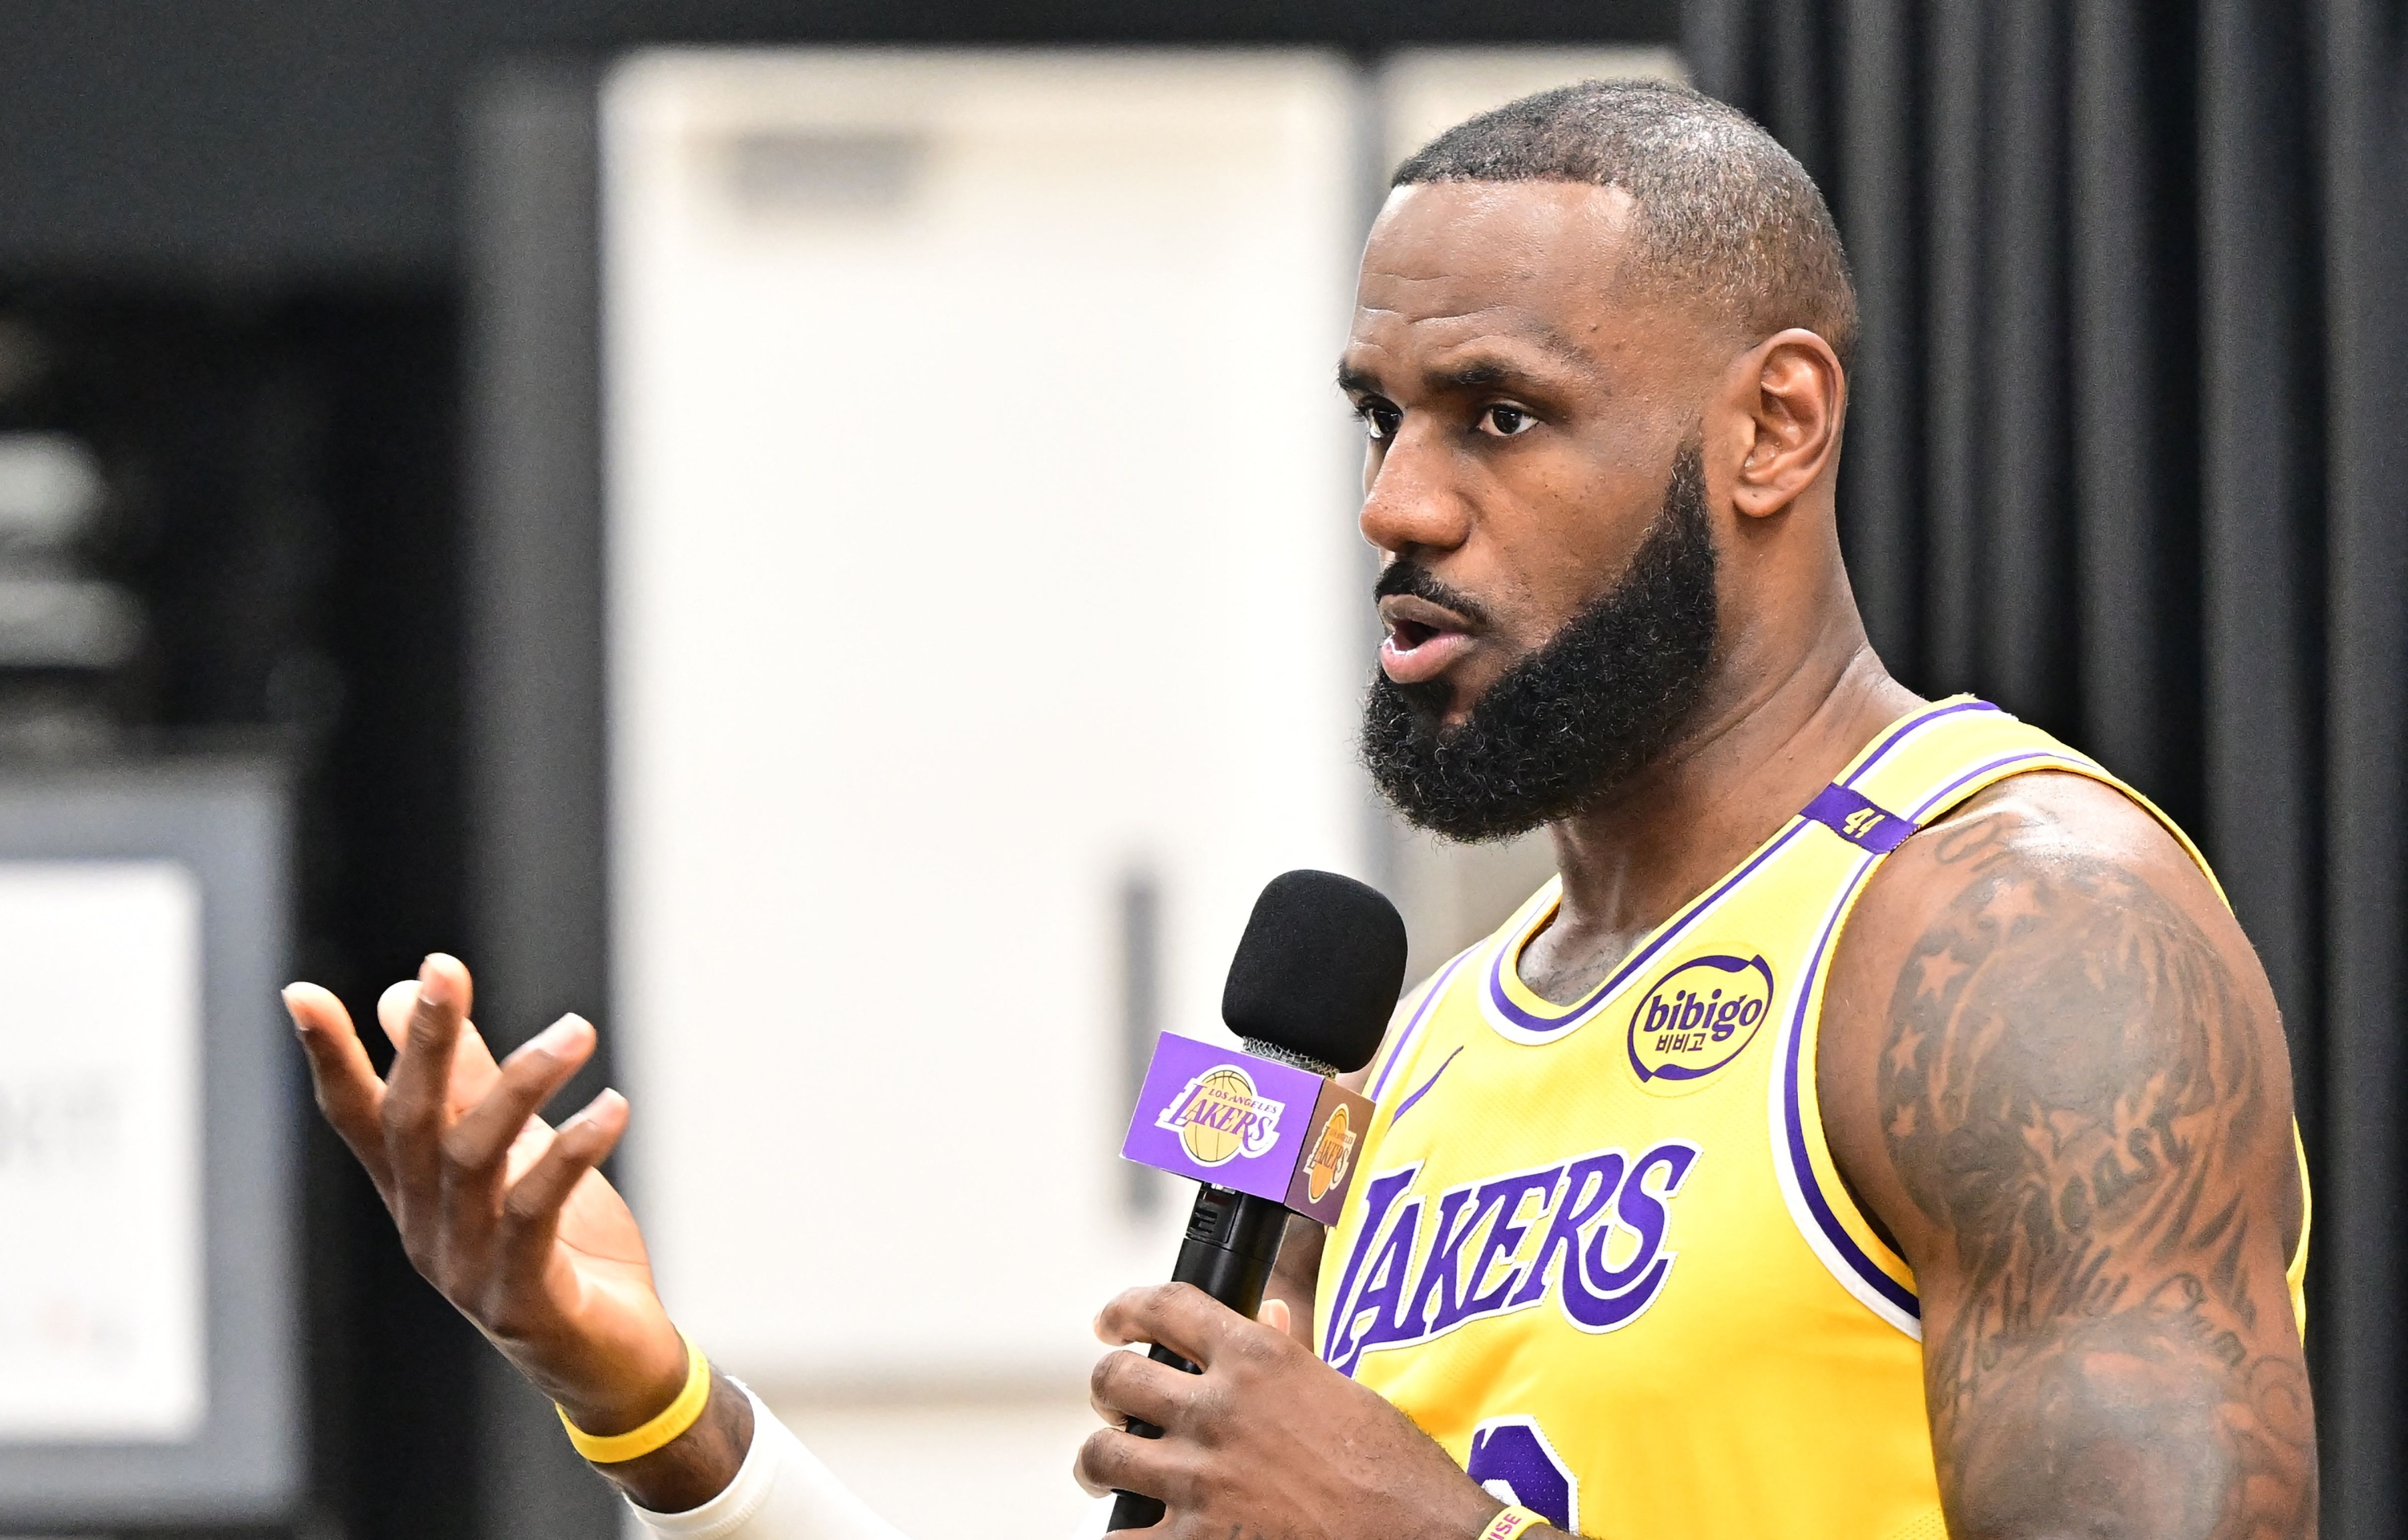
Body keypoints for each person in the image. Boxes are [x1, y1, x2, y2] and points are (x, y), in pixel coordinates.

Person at [286, 79, 2316, 1539]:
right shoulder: (1368, 1042)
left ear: (1773, 424)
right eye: (1381, 417)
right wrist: (650, 1411)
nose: (1398, 507)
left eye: (1500, 416)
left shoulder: (2026, 933)